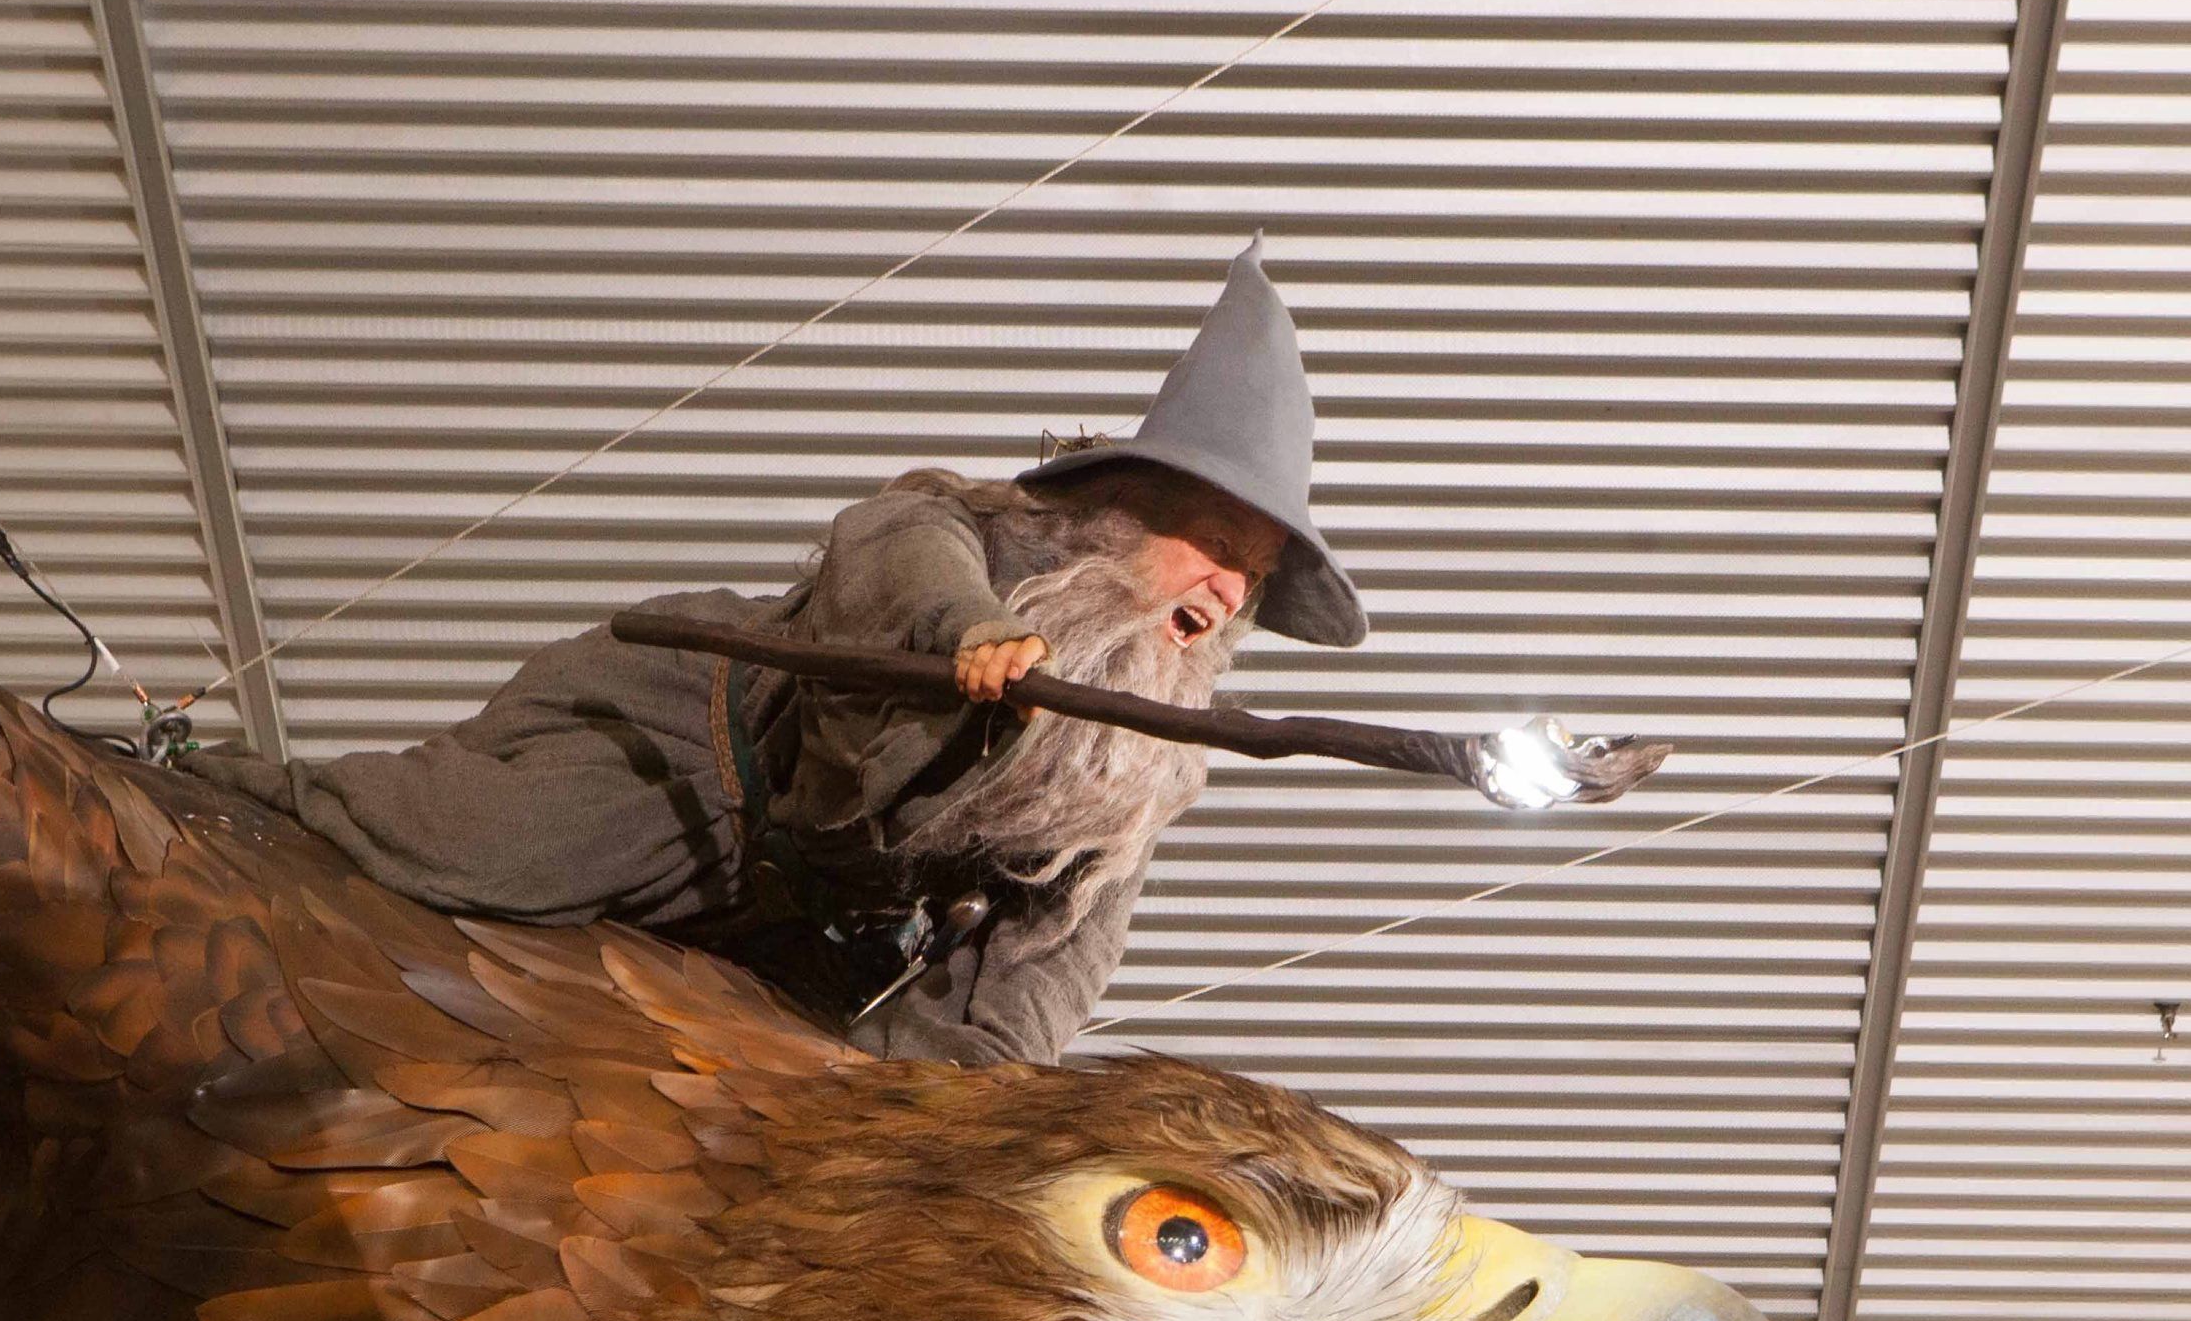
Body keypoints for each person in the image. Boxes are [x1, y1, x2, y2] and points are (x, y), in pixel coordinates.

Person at [180, 242, 1365, 1064]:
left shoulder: (1133, 775)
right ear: (1122, 512)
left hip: (803, 920)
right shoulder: (990, 539)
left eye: (1251, 578)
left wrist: (948, 1111)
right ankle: (201, 789)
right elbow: (893, 545)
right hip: (688, 758)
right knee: (457, 861)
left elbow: (1048, 959)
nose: (1227, 587)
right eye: (1214, 543)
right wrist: (969, 630)